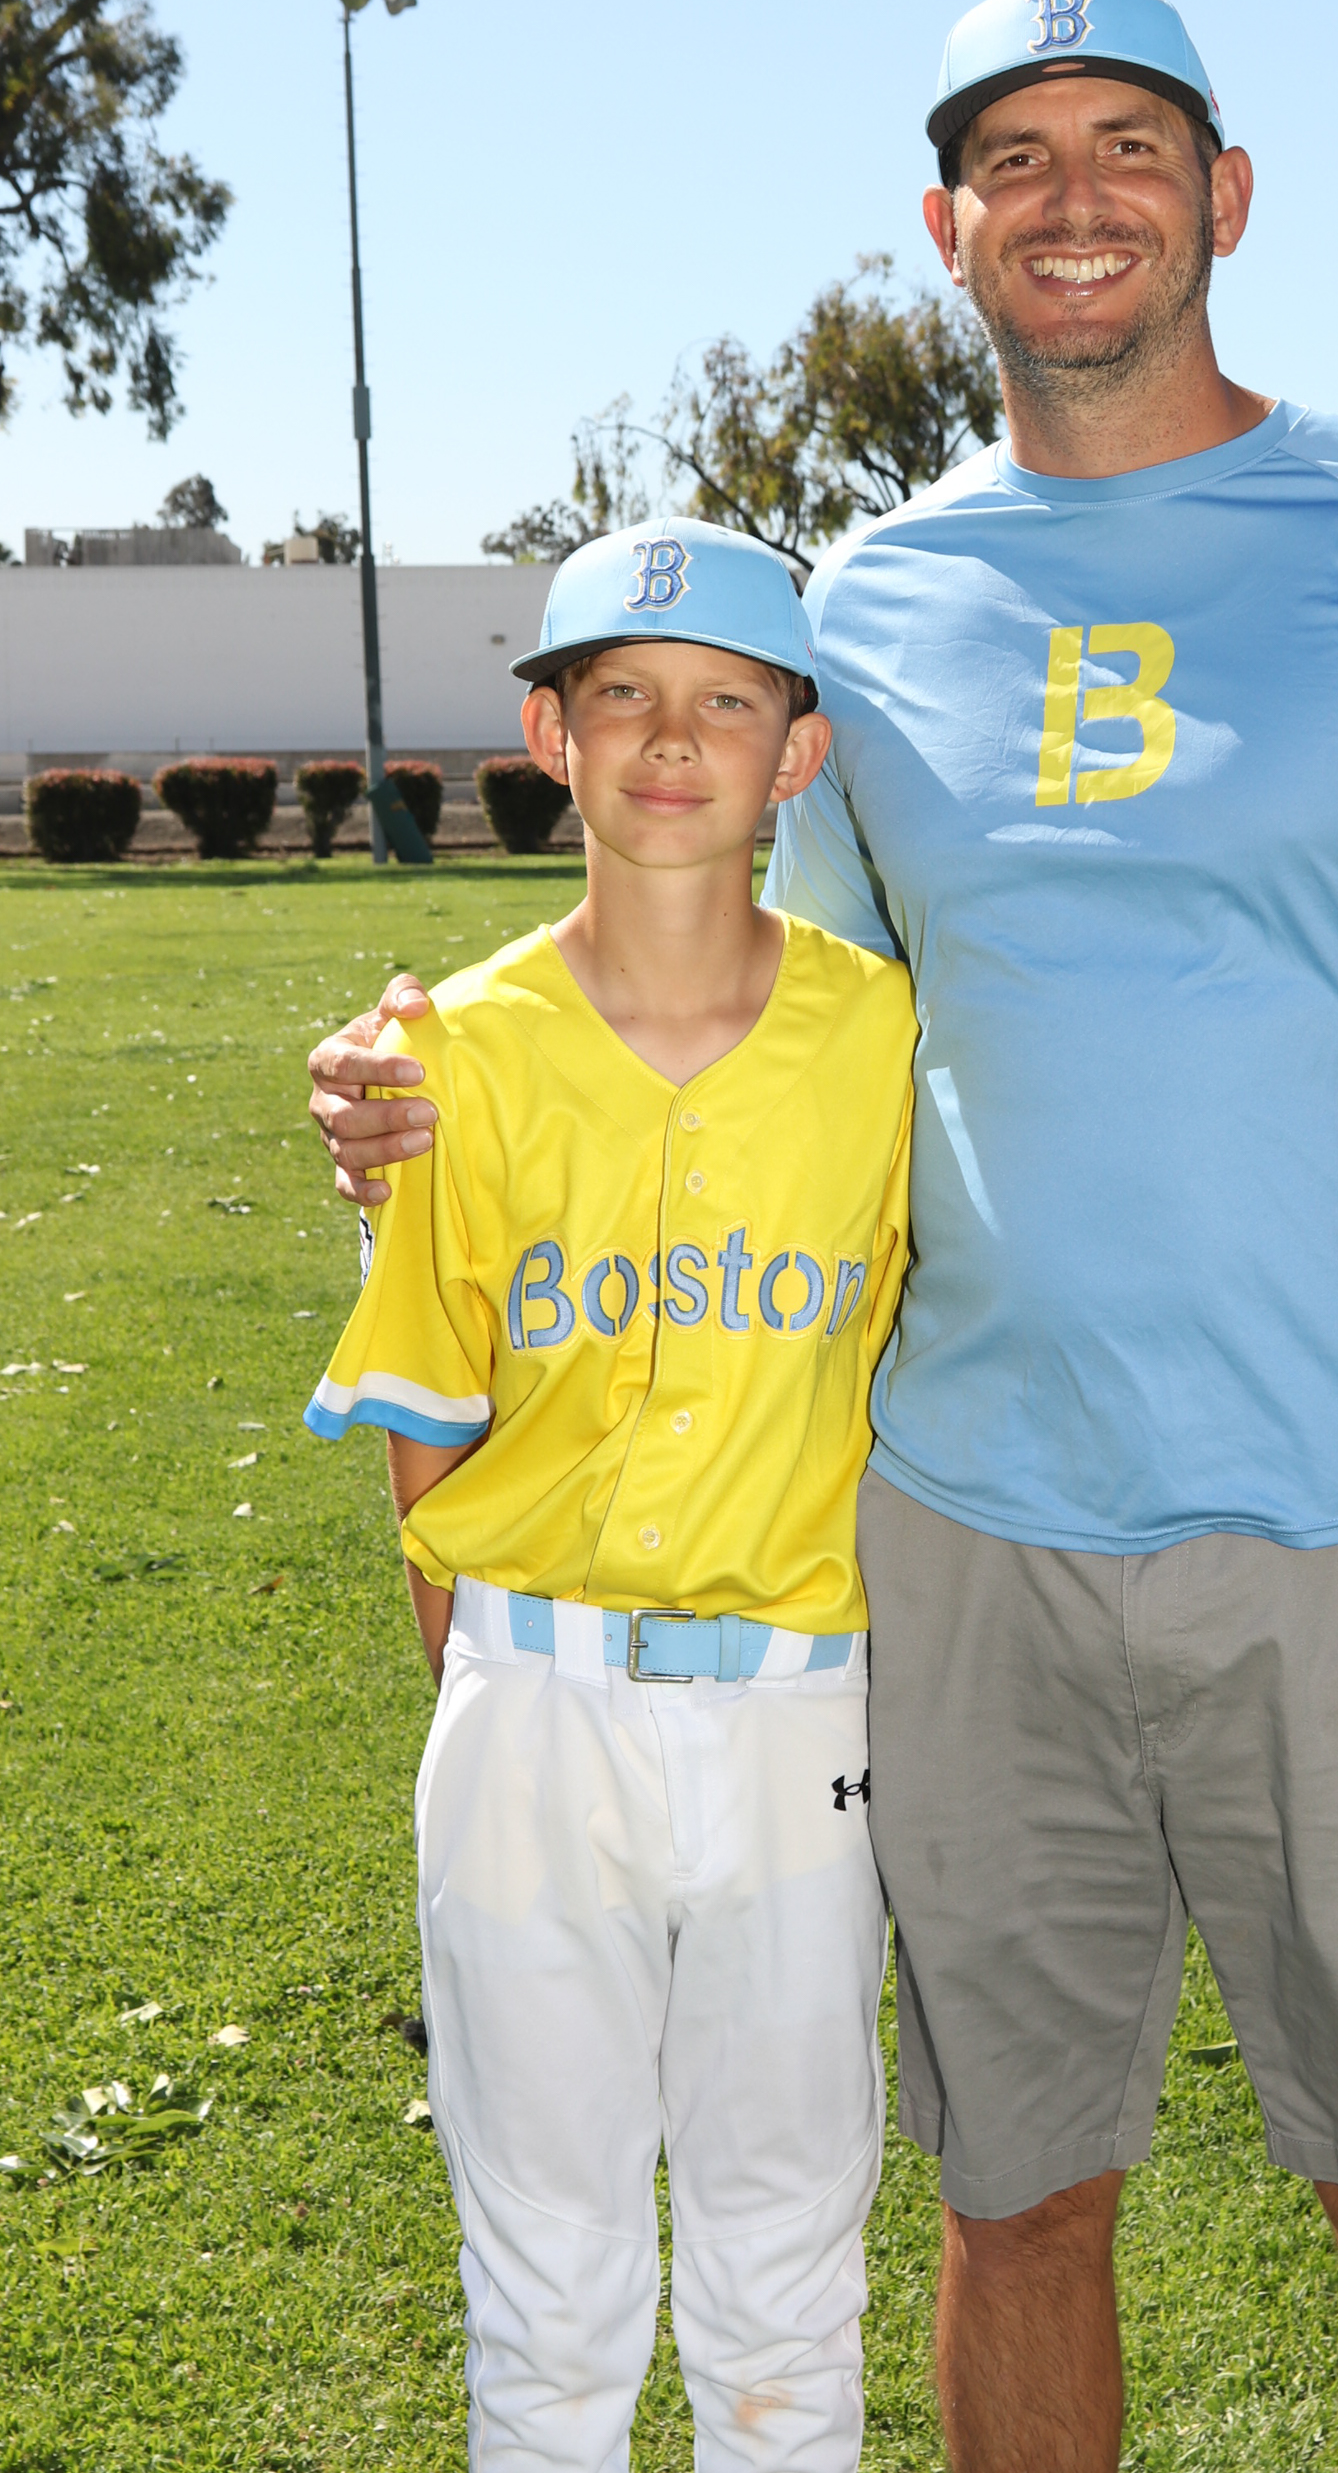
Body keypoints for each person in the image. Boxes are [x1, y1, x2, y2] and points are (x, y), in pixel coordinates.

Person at [309, 0, 1338, 2473]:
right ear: (946, 226)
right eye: (1015, 158)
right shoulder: (866, 604)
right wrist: (436, 1070)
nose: (1075, 199)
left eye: (1128, 144)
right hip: (961, 1546)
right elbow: (745, 1004)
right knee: (1013, 2196)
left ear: (1224, 196)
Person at [303, 518, 916, 2473]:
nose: (670, 738)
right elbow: (430, 1421)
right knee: (547, 2293)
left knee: (784, 2288)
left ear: (796, 754)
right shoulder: (451, 1052)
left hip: (804, 1711)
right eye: (621, 693)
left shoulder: (887, 1036)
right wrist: (497, 1683)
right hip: (533, 1704)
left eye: (727, 701)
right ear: (547, 735)